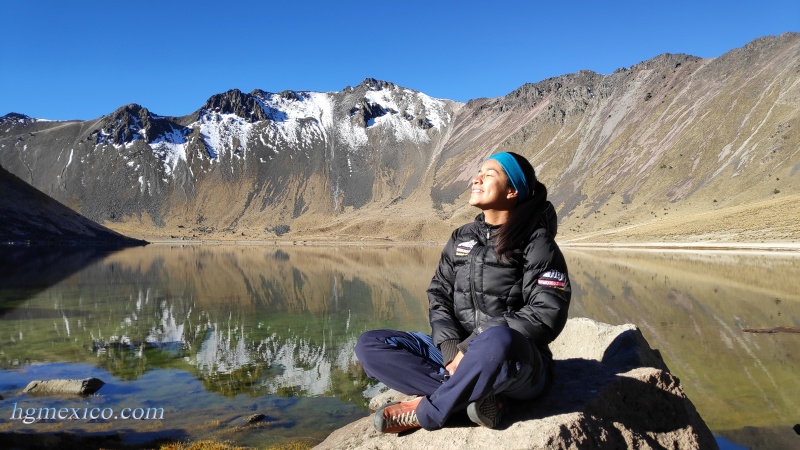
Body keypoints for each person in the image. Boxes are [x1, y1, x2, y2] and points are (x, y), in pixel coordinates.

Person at [355, 151, 571, 433]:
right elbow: (439, 295)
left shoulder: (536, 241)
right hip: (455, 355)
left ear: (512, 191)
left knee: (497, 340)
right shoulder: (462, 237)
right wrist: (449, 349)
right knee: (370, 346)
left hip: (511, 359)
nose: (476, 179)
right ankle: (472, 401)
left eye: (489, 174)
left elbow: (545, 314)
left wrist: (470, 349)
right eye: (478, 172)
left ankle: (428, 412)